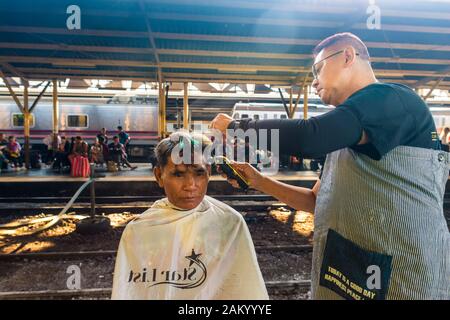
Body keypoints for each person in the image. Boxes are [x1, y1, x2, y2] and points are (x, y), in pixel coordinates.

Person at [211, 32, 450, 300]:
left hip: (404, 275)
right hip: (359, 272)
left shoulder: (391, 98)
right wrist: (258, 181)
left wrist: (238, 127)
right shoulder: (349, 133)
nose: (314, 81)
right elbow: (316, 201)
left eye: (318, 69)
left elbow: (309, 137)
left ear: (347, 56)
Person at [111, 132, 268, 300]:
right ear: (159, 176)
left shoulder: (231, 223)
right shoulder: (138, 231)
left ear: (208, 173)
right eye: (178, 174)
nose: (190, 185)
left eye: (199, 173)